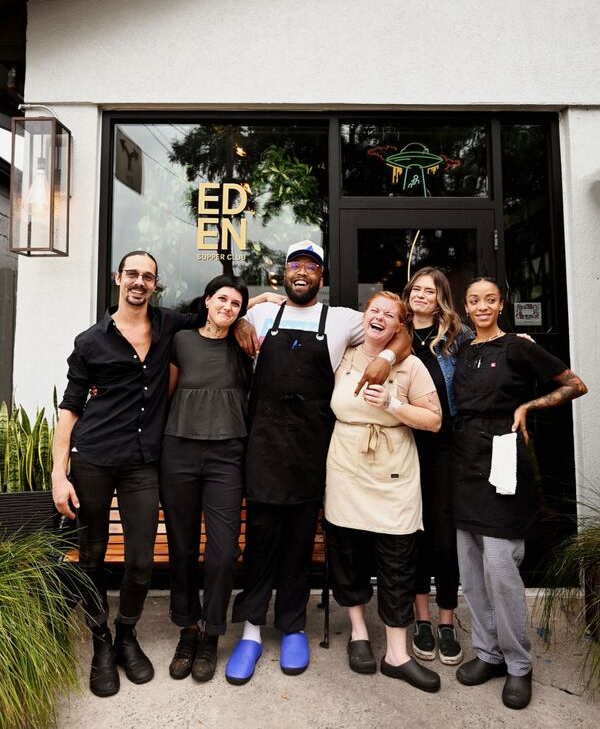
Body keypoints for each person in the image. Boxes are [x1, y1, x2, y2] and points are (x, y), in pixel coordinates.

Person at [51, 251, 276, 698]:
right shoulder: (95, 340)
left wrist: (249, 314)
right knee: (107, 555)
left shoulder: (171, 327)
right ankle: (112, 642)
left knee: (156, 560)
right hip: (103, 456)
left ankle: (159, 634)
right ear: (118, 278)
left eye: (147, 276)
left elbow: (225, 312)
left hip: (153, 460)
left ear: (156, 285)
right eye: (131, 274)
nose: (139, 282)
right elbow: (71, 407)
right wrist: (59, 473)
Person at [225, 240, 412, 685]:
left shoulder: (343, 319)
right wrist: (252, 306)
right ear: (284, 274)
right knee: (261, 541)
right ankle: (251, 630)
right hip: (265, 440)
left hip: (312, 445)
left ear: (322, 277)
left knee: (298, 541)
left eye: (312, 266)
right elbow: (218, 310)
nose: (303, 272)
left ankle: (292, 626)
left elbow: (401, 335)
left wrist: (385, 358)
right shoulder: (262, 315)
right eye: (295, 266)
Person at [452, 277, 587, 710]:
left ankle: (518, 663)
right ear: (466, 307)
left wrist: (530, 405)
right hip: (466, 461)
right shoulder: (465, 349)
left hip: (505, 458)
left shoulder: (520, 346)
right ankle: (488, 653)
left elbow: (575, 384)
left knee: (501, 568)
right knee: (471, 568)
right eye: (474, 301)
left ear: (501, 304)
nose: (482, 306)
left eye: (489, 299)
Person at [324, 291, 443, 693]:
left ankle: (397, 653)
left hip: (394, 471)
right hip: (345, 467)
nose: (379, 317)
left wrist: (393, 403)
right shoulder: (344, 353)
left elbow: (434, 420)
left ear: (398, 326)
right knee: (348, 553)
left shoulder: (412, 366)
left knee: (397, 561)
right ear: (364, 318)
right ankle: (358, 632)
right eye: (374, 310)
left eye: (389, 314)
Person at [159, 275, 252, 683]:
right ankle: (188, 629)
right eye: (223, 299)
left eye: (236, 304)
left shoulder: (243, 344)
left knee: (221, 551)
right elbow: (163, 393)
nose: (228, 308)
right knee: (181, 549)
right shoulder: (180, 340)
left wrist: (248, 320)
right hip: (178, 450)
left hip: (227, 455)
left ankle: (212, 632)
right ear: (208, 300)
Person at [402, 267, 472, 666]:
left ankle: (447, 620)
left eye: (430, 291)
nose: (422, 295)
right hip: (404, 444)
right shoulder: (397, 331)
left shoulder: (456, 336)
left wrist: (520, 340)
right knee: (413, 534)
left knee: (444, 537)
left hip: (445, 446)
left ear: (441, 296)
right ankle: (421, 619)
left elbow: (491, 347)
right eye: (417, 289)